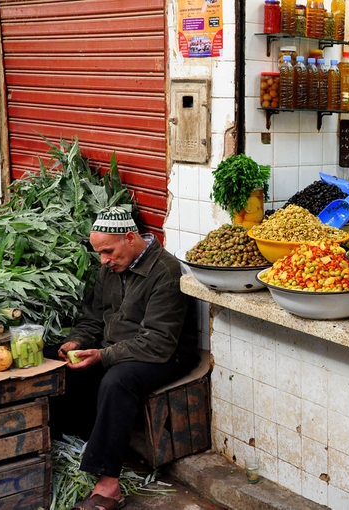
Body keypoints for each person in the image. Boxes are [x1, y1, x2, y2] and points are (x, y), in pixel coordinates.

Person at [46, 206, 198, 510]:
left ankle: (109, 484)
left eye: (108, 251)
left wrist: (103, 355)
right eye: (100, 253)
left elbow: (158, 341)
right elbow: (93, 318)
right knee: (53, 359)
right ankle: (63, 442)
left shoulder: (165, 272)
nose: (104, 260)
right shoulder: (110, 268)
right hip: (119, 347)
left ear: (129, 238)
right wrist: (76, 341)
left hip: (166, 355)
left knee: (118, 381)